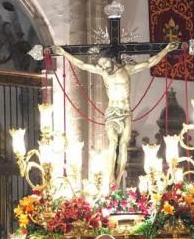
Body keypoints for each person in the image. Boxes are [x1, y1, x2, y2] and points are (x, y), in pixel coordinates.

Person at [52, 42, 181, 185]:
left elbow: (150, 62)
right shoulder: (102, 72)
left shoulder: (127, 69)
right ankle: (110, 177)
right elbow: (82, 65)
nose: (104, 68)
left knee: (124, 144)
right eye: (101, 65)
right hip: (112, 113)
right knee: (113, 142)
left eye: (105, 63)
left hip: (125, 112)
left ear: (112, 59)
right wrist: (64, 53)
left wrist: (166, 50)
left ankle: (119, 177)